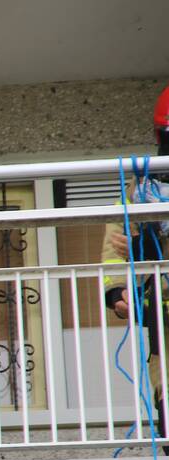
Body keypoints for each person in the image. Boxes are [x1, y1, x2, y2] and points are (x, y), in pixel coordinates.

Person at [101, 84, 169, 434]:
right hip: (164, 308)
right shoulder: (142, 185)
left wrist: (142, 248)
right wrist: (117, 293)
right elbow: (115, 242)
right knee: (166, 388)